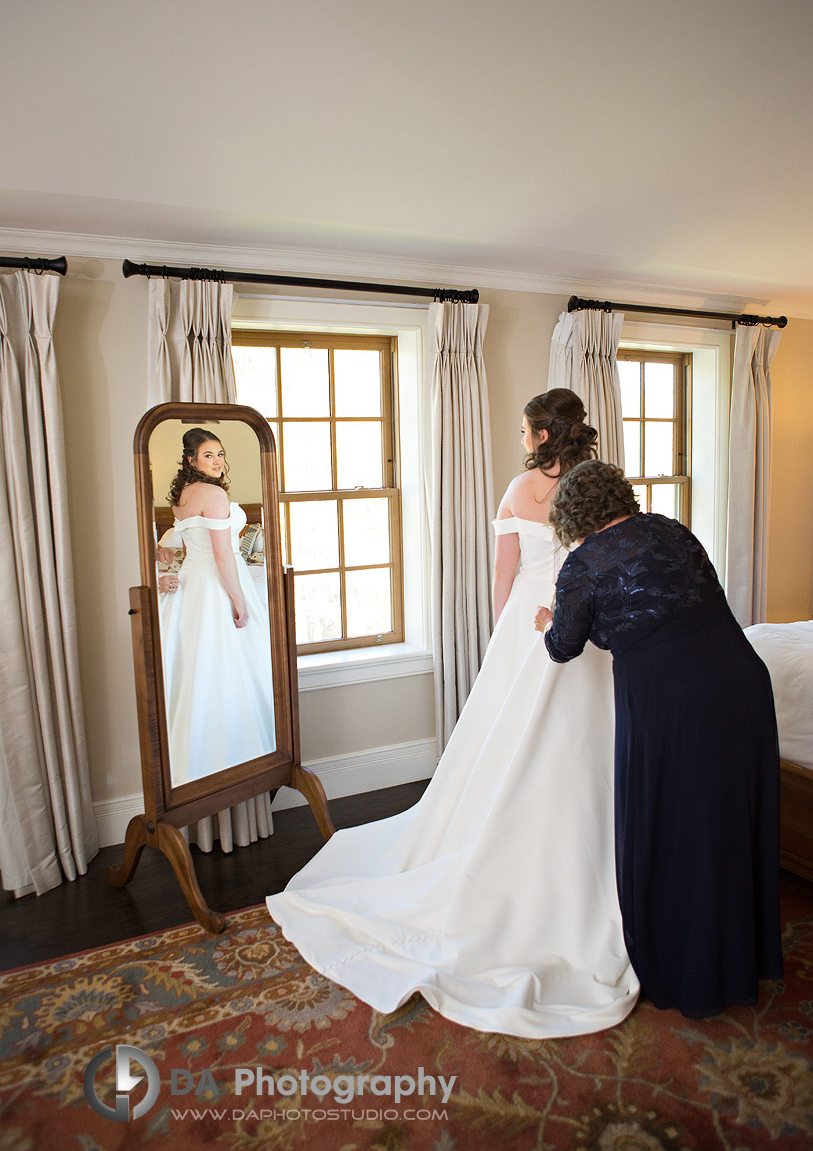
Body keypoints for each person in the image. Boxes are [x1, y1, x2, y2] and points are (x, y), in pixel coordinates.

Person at [266, 390, 640, 1039]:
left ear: (542, 434)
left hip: (533, 621)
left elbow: (505, 573)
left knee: (512, 742)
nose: (521, 440)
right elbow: (611, 558)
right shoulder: (592, 487)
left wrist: (505, 635)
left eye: (525, 431)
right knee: (589, 742)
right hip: (588, 618)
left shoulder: (518, 488)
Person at [534, 460, 783, 1018]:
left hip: (678, 701)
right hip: (744, 681)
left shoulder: (585, 562)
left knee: (682, 830)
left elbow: (563, 647)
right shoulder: (673, 529)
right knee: (731, 824)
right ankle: (742, 956)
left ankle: (689, 970)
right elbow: (673, 607)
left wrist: (550, 619)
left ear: (573, 513)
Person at [158, 428, 276, 786]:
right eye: (209, 455)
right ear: (192, 460)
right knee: (231, 666)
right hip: (218, 581)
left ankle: (192, 766)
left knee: (197, 666)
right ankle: (238, 760)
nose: (218, 461)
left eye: (220, 454)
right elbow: (224, 553)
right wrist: (239, 601)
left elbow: (175, 540)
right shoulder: (213, 494)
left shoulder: (182, 495)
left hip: (193, 582)